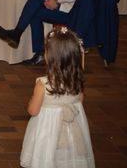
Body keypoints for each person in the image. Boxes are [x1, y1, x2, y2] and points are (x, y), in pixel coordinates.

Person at [20, 27, 94, 167]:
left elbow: (33, 111)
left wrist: (31, 101)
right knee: (69, 160)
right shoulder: (77, 82)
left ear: (50, 57)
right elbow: (80, 101)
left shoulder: (43, 84)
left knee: (47, 158)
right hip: (72, 130)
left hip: (48, 133)